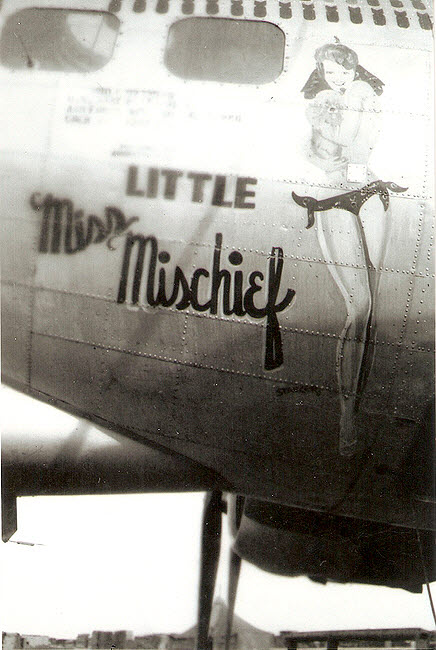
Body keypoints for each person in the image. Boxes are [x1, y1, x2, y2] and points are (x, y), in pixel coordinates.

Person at [301, 43, 387, 456]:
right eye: (331, 72)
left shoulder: (365, 96)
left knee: (374, 310)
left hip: (371, 191)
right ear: (322, 72)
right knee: (357, 307)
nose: (339, 77)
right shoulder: (321, 103)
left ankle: (360, 406)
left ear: (353, 68)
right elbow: (331, 140)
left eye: (344, 71)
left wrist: (356, 101)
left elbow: (365, 141)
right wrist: (342, 103)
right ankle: (346, 415)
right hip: (332, 197)